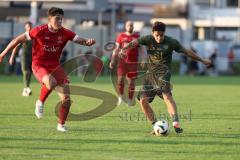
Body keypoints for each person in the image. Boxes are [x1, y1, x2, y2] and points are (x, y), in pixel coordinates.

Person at [0, 7, 95, 132]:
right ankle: (40, 102)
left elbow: (79, 39)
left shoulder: (65, 32)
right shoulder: (39, 31)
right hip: (39, 65)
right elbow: (17, 40)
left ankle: (61, 125)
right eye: (57, 19)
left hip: (55, 66)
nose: (60, 22)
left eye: (61, 19)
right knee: (51, 82)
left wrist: (87, 42)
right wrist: (3, 53)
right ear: (49, 19)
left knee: (66, 98)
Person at [118, 21, 211, 134]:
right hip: (150, 75)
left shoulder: (171, 42)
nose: (159, 38)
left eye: (161, 35)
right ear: (153, 33)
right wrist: (123, 49)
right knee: (143, 101)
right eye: (156, 35)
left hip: (164, 73)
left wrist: (202, 60)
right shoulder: (147, 39)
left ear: (164, 33)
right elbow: (133, 43)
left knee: (166, 96)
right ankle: (156, 125)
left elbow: (186, 52)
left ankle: (176, 123)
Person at [109, 21, 144, 106]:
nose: (130, 27)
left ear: (133, 27)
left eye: (131, 25)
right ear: (126, 26)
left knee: (131, 82)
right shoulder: (121, 36)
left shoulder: (137, 37)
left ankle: (129, 99)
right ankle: (120, 97)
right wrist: (113, 60)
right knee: (120, 80)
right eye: (128, 25)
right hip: (122, 62)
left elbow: (142, 48)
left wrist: (143, 58)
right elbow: (116, 49)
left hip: (133, 62)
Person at [9, 21, 33, 96]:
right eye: (28, 26)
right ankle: (27, 87)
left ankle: (25, 90)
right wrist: (12, 57)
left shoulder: (34, 36)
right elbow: (16, 46)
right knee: (26, 72)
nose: (29, 28)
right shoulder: (23, 36)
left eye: (30, 26)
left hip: (32, 57)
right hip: (24, 56)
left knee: (30, 73)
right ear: (25, 27)